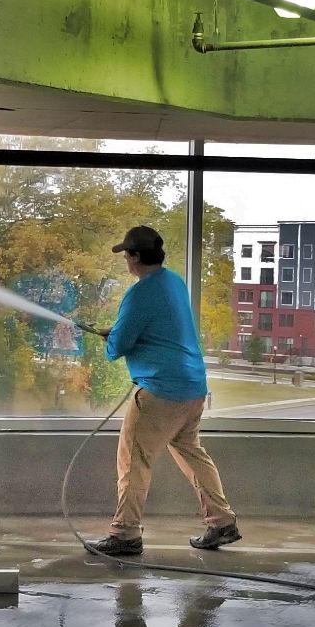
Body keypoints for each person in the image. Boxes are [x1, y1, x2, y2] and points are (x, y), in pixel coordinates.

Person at [82, 225, 240, 556]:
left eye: (127, 254)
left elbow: (118, 347)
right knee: (191, 453)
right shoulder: (174, 282)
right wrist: (122, 332)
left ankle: (125, 533)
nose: (126, 260)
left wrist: (112, 337)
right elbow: (160, 329)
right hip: (193, 387)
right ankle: (222, 522)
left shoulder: (139, 293)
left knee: (134, 461)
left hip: (160, 392)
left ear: (136, 257)